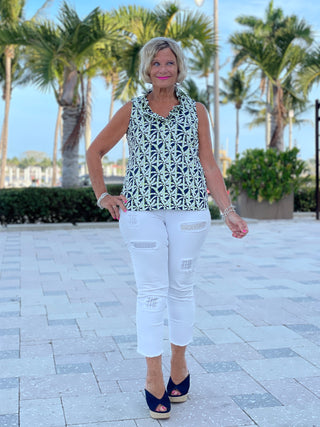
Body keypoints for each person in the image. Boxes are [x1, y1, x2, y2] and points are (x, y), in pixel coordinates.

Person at [86, 37, 248, 420]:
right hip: (141, 212)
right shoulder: (131, 109)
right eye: (156, 63)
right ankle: (153, 375)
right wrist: (102, 196)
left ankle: (180, 366)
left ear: (178, 68)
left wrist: (228, 211)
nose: (163, 69)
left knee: (182, 289)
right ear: (146, 69)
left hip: (190, 213)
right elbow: (94, 152)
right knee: (151, 293)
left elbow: (208, 164)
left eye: (169, 63)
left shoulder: (196, 110)